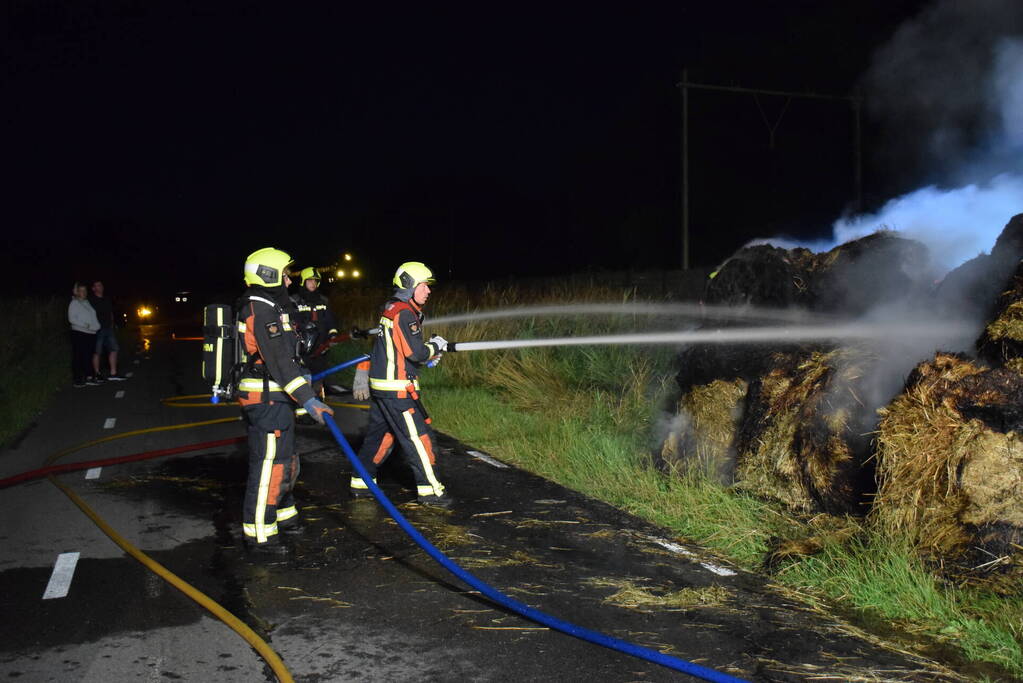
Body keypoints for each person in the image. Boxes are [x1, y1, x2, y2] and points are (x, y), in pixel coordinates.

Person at [236, 247, 333, 555]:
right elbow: (279, 362)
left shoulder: (272, 306)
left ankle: (283, 514)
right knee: (268, 467)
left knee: (287, 459)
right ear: (268, 275)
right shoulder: (260, 309)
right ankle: (260, 536)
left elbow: (289, 355)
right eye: (285, 274)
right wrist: (309, 399)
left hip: (277, 397)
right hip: (265, 400)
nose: (290, 281)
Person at [350, 261, 451, 507]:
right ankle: (432, 491)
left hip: (384, 388)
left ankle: (361, 483)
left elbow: (397, 350)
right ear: (409, 285)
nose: (428, 291)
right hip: (397, 390)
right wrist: (435, 346)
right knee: (418, 439)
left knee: (381, 436)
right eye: (424, 285)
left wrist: (426, 357)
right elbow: (415, 353)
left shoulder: (392, 308)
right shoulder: (405, 313)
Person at [291, 266, 340, 403]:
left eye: (315, 281)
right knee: (303, 381)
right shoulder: (294, 301)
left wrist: (333, 335)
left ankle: (318, 408)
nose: (313, 283)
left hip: (321, 349)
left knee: (318, 380)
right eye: (310, 280)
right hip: (302, 349)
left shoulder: (323, 301)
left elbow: (330, 322)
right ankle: (303, 411)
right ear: (303, 282)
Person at [89, 280, 126, 381]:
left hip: (108, 328)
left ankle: (113, 373)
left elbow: (110, 313)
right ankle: (97, 374)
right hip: (97, 329)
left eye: (100, 285)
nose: (100, 287)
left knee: (114, 349)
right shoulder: (91, 301)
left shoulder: (106, 299)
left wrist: (113, 324)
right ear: (93, 289)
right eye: (97, 285)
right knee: (97, 352)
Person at [68, 282, 102, 387]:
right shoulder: (74, 303)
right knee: (78, 356)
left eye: (85, 290)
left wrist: (97, 326)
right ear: (77, 292)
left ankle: (89, 377)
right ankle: (77, 379)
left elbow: (93, 317)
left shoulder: (87, 303)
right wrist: (86, 325)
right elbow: (72, 319)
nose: (84, 292)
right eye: (81, 290)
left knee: (88, 356)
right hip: (79, 333)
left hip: (91, 334)